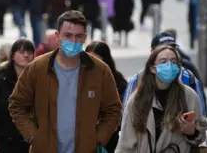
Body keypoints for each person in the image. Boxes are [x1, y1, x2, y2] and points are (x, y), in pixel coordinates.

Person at [9, 10, 122, 153]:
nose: (73, 41)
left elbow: (113, 109)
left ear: (84, 38)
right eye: (68, 35)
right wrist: (33, 136)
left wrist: (98, 138)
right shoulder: (37, 68)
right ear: (58, 36)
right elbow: (17, 105)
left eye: (78, 36)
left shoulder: (100, 70)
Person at [115, 45, 207, 153]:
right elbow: (125, 145)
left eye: (173, 62)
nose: (169, 65)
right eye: (163, 62)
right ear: (153, 68)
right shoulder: (137, 100)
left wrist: (192, 132)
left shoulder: (188, 96)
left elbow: (201, 134)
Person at [123, 31, 207, 116]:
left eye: (171, 49)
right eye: (162, 50)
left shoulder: (189, 79)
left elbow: (201, 116)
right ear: (152, 53)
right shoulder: (137, 80)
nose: (168, 53)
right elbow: (126, 116)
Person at [0, 39, 36, 153]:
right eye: (22, 52)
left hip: (32, 141)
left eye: (29, 52)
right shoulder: (0, 78)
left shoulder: (39, 76)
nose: (26, 55)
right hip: (5, 141)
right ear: (12, 55)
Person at [85, 41, 127, 153]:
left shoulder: (118, 81)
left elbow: (119, 112)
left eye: (97, 59)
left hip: (109, 137)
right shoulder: (79, 79)